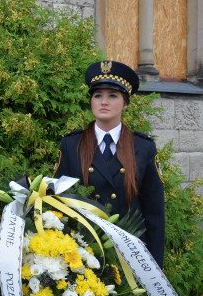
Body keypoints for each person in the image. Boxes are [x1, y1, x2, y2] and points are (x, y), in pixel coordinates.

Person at [53, 60, 165, 266]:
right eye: (98, 95)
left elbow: (154, 214)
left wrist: (155, 268)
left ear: (125, 103)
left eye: (112, 96)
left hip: (130, 256)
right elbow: (57, 203)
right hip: (82, 254)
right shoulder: (71, 144)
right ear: (91, 101)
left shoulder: (143, 147)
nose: (103, 102)